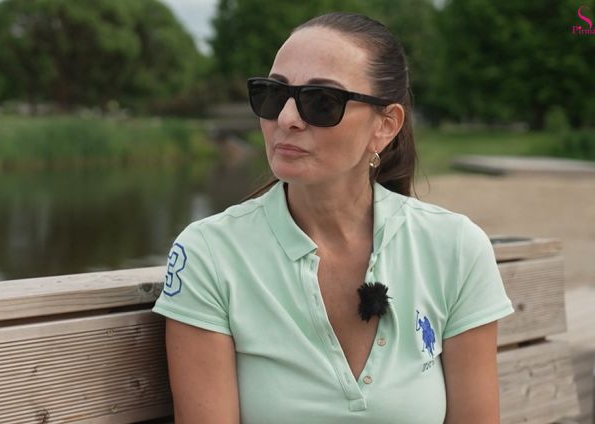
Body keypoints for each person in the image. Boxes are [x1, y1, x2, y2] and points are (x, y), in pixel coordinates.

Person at [152, 11, 514, 424]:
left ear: (385, 126)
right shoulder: (210, 254)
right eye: (272, 94)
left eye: (322, 101)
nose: (286, 118)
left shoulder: (455, 247)